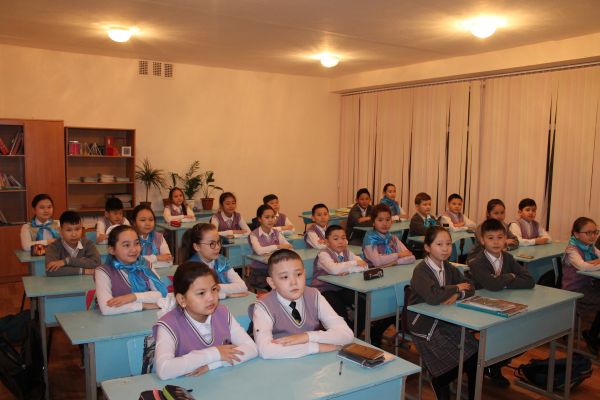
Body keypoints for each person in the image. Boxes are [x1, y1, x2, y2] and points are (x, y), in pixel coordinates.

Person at [153, 262, 257, 380]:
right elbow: (164, 369)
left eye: (214, 289)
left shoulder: (222, 312)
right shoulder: (168, 325)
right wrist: (215, 353)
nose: (211, 298)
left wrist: (212, 365)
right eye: (201, 293)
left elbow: (251, 348)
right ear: (182, 299)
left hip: (219, 381)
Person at [408, 226, 478, 400]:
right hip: (424, 324)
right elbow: (433, 297)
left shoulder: (448, 267)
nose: (445, 248)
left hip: (445, 319)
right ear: (427, 247)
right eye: (439, 244)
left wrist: (458, 294)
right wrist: (456, 287)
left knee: (476, 353)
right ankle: (439, 381)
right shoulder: (421, 271)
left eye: (448, 244)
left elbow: (470, 287)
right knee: (463, 360)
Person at [249, 249, 354, 359]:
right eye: (284, 277)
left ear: (305, 273)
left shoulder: (314, 295)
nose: (294, 282)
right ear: (272, 283)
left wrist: (307, 336)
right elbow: (265, 350)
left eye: (298, 274)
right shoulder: (263, 306)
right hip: (280, 363)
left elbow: (346, 334)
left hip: (313, 361)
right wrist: (315, 347)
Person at [467, 218, 535, 386]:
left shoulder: (508, 258)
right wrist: (510, 276)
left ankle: (495, 365)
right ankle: (489, 365)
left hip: (503, 306)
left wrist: (503, 280)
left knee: (524, 337)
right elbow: (492, 285)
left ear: (506, 238)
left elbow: (529, 281)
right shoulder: (476, 262)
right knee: (501, 336)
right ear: (482, 240)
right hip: (479, 311)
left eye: (500, 237)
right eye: (491, 238)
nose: (496, 242)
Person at [94, 225, 168, 315]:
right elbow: (107, 309)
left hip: (145, 318)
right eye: (126, 245)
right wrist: (144, 305)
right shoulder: (103, 272)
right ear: (112, 250)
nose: (134, 249)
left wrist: (133, 297)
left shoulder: (145, 264)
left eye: (136, 243)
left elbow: (162, 295)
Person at [311, 225, 368, 326]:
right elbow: (334, 269)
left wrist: (349, 270)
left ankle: (353, 332)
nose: (341, 241)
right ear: (327, 242)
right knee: (340, 312)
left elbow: (365, 266)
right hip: (324, 289)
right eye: (336, 239)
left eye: (343, 238)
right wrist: (354, 263)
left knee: (364, 304)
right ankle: (346, 330)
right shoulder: (323, 254)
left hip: (341, 288)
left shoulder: (347, 252)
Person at [562, 217, 600, 355]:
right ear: (576, 234)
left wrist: (595, 262)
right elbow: (583, 266)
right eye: (588, 233)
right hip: (575, 290)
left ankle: (592, 333)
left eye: (595, 232)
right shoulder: (572, 249)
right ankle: (592, 335)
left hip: (589, 285)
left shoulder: (590, 247)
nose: (593, 236)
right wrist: (597, 263)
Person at [181, 223, 247, 299]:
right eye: (212, 244)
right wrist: (226, 295)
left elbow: (243, 287)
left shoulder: (221, 261)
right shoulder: (192, 268)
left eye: (218, 242)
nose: (217, 247)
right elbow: (199, 297)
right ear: (197, 247)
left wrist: (218, 287)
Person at [247, 204, 292, 290]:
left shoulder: (276, 232)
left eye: (272, 217)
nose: (270, 220)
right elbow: (259, 251)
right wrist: (278, 247)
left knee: (288, 283)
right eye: (267, 217)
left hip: (276, 270)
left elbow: (288, 246)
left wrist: (276, 249)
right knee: (279, 286)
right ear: (259, 219)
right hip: (260, 272)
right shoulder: (253, 234)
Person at [45, 210, 100, 276]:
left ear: (82, 229)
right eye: (69, 230)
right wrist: (84, 271)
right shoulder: (53, 247)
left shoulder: (88, 244)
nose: (74, 234)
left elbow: (96, 264)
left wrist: (67, 261)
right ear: (60, 231)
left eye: (77, 229)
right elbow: (50, 270)